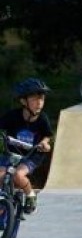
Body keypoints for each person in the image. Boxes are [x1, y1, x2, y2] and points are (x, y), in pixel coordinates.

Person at [0, 78, 54, 214]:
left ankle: (30, 195)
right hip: (10, 153)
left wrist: (44, 143)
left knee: (18, 175)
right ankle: (3, 203)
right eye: (35, 99)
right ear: (24, 101)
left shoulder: (42, 119)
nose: (39, 103)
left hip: (31, 156)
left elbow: (48, 135)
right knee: (0, 174)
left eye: (42, 99)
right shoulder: (13, 116)